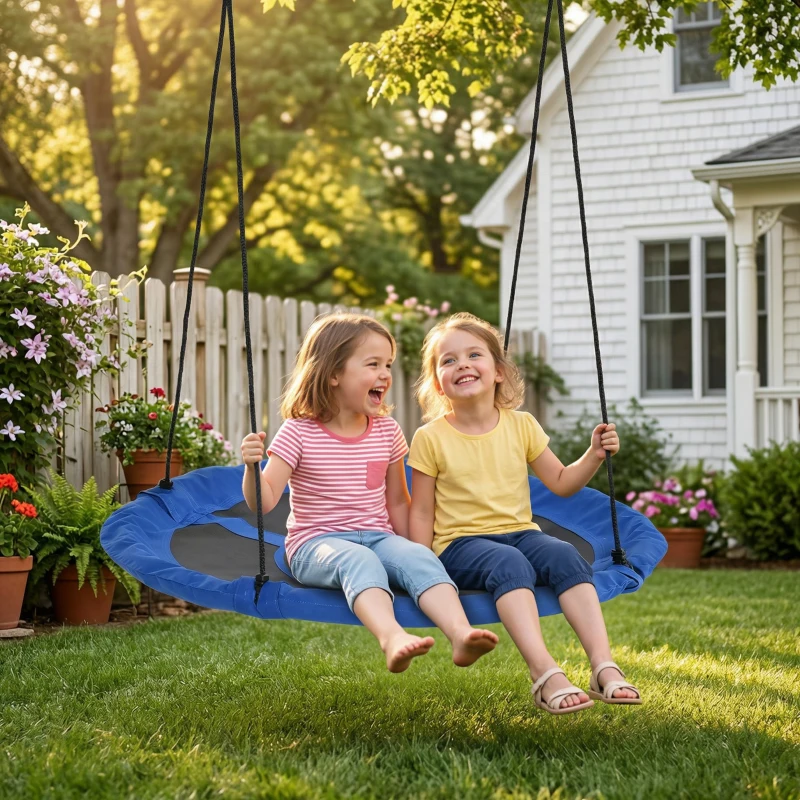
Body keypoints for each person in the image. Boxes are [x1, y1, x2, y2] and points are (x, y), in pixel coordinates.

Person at [408, 312, 641, 714]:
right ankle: (545, 672)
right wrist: (418, 566)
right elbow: (422, 509)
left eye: (473, 355)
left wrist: (594, 454)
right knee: (508, 561)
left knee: (565, 554)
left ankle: (603, 665)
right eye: (448, 360)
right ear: (438, 382)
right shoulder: (430, 438)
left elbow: (563, 482)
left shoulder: (522, 425)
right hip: (460, 545)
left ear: (498, 371)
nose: (461, 364)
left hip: (520, 532)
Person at [241, 313, 498, 674]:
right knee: (360, 562)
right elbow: (263, 501)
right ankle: (392, 637)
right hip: (316, 543)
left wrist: (416, 546)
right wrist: (252, 468)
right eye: (373, 364)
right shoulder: (297, 433)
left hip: (378, 536)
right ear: (333, 374)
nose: (385, 375)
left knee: (418, 559)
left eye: (388, 365)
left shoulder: (386, 431)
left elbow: (397, 500)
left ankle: (460, 634)